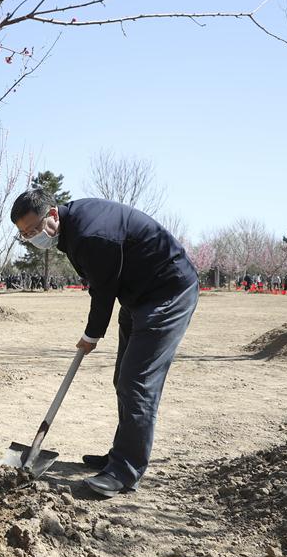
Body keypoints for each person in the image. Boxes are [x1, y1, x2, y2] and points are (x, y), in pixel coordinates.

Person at [11, 190, 198, 498]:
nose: (32, 237)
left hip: (168, 293)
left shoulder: (89, 234)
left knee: (137, 382)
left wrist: (91, 334)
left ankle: (125, 472)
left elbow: (102, 289)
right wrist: (93, 333)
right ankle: (121, 453)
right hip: (139, 295)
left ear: (52, 214)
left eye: (34, 229)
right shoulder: (74, 228)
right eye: (25, 234)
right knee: (123, 377)